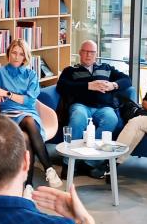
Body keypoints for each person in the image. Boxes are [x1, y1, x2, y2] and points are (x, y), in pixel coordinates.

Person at [0, 37, 62, 192]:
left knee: (28, 127)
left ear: (25, 57)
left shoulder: (31, 75)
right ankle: (47, 169)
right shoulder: (0, 72)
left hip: (29, 113)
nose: (16, 57)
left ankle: (28, 185)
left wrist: (6, 93)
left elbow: (29, 101)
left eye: (21, 54)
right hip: (9, 115)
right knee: (27, 129)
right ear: (8, 54)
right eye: (13, 53)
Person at [56, 40, 131, 176]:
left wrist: (113, 85)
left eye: (92, 52)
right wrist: (88, 86)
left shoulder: (107, 68)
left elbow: (127, 80)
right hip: (81, 105)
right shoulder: (71, 70)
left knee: (111, 119)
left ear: (96, 54)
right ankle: (69, 163)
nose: (88, 55)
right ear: (80, 53)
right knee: (78, 118)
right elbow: (61, 86)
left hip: (104, 107)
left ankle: (89, 162)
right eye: (85, 51)